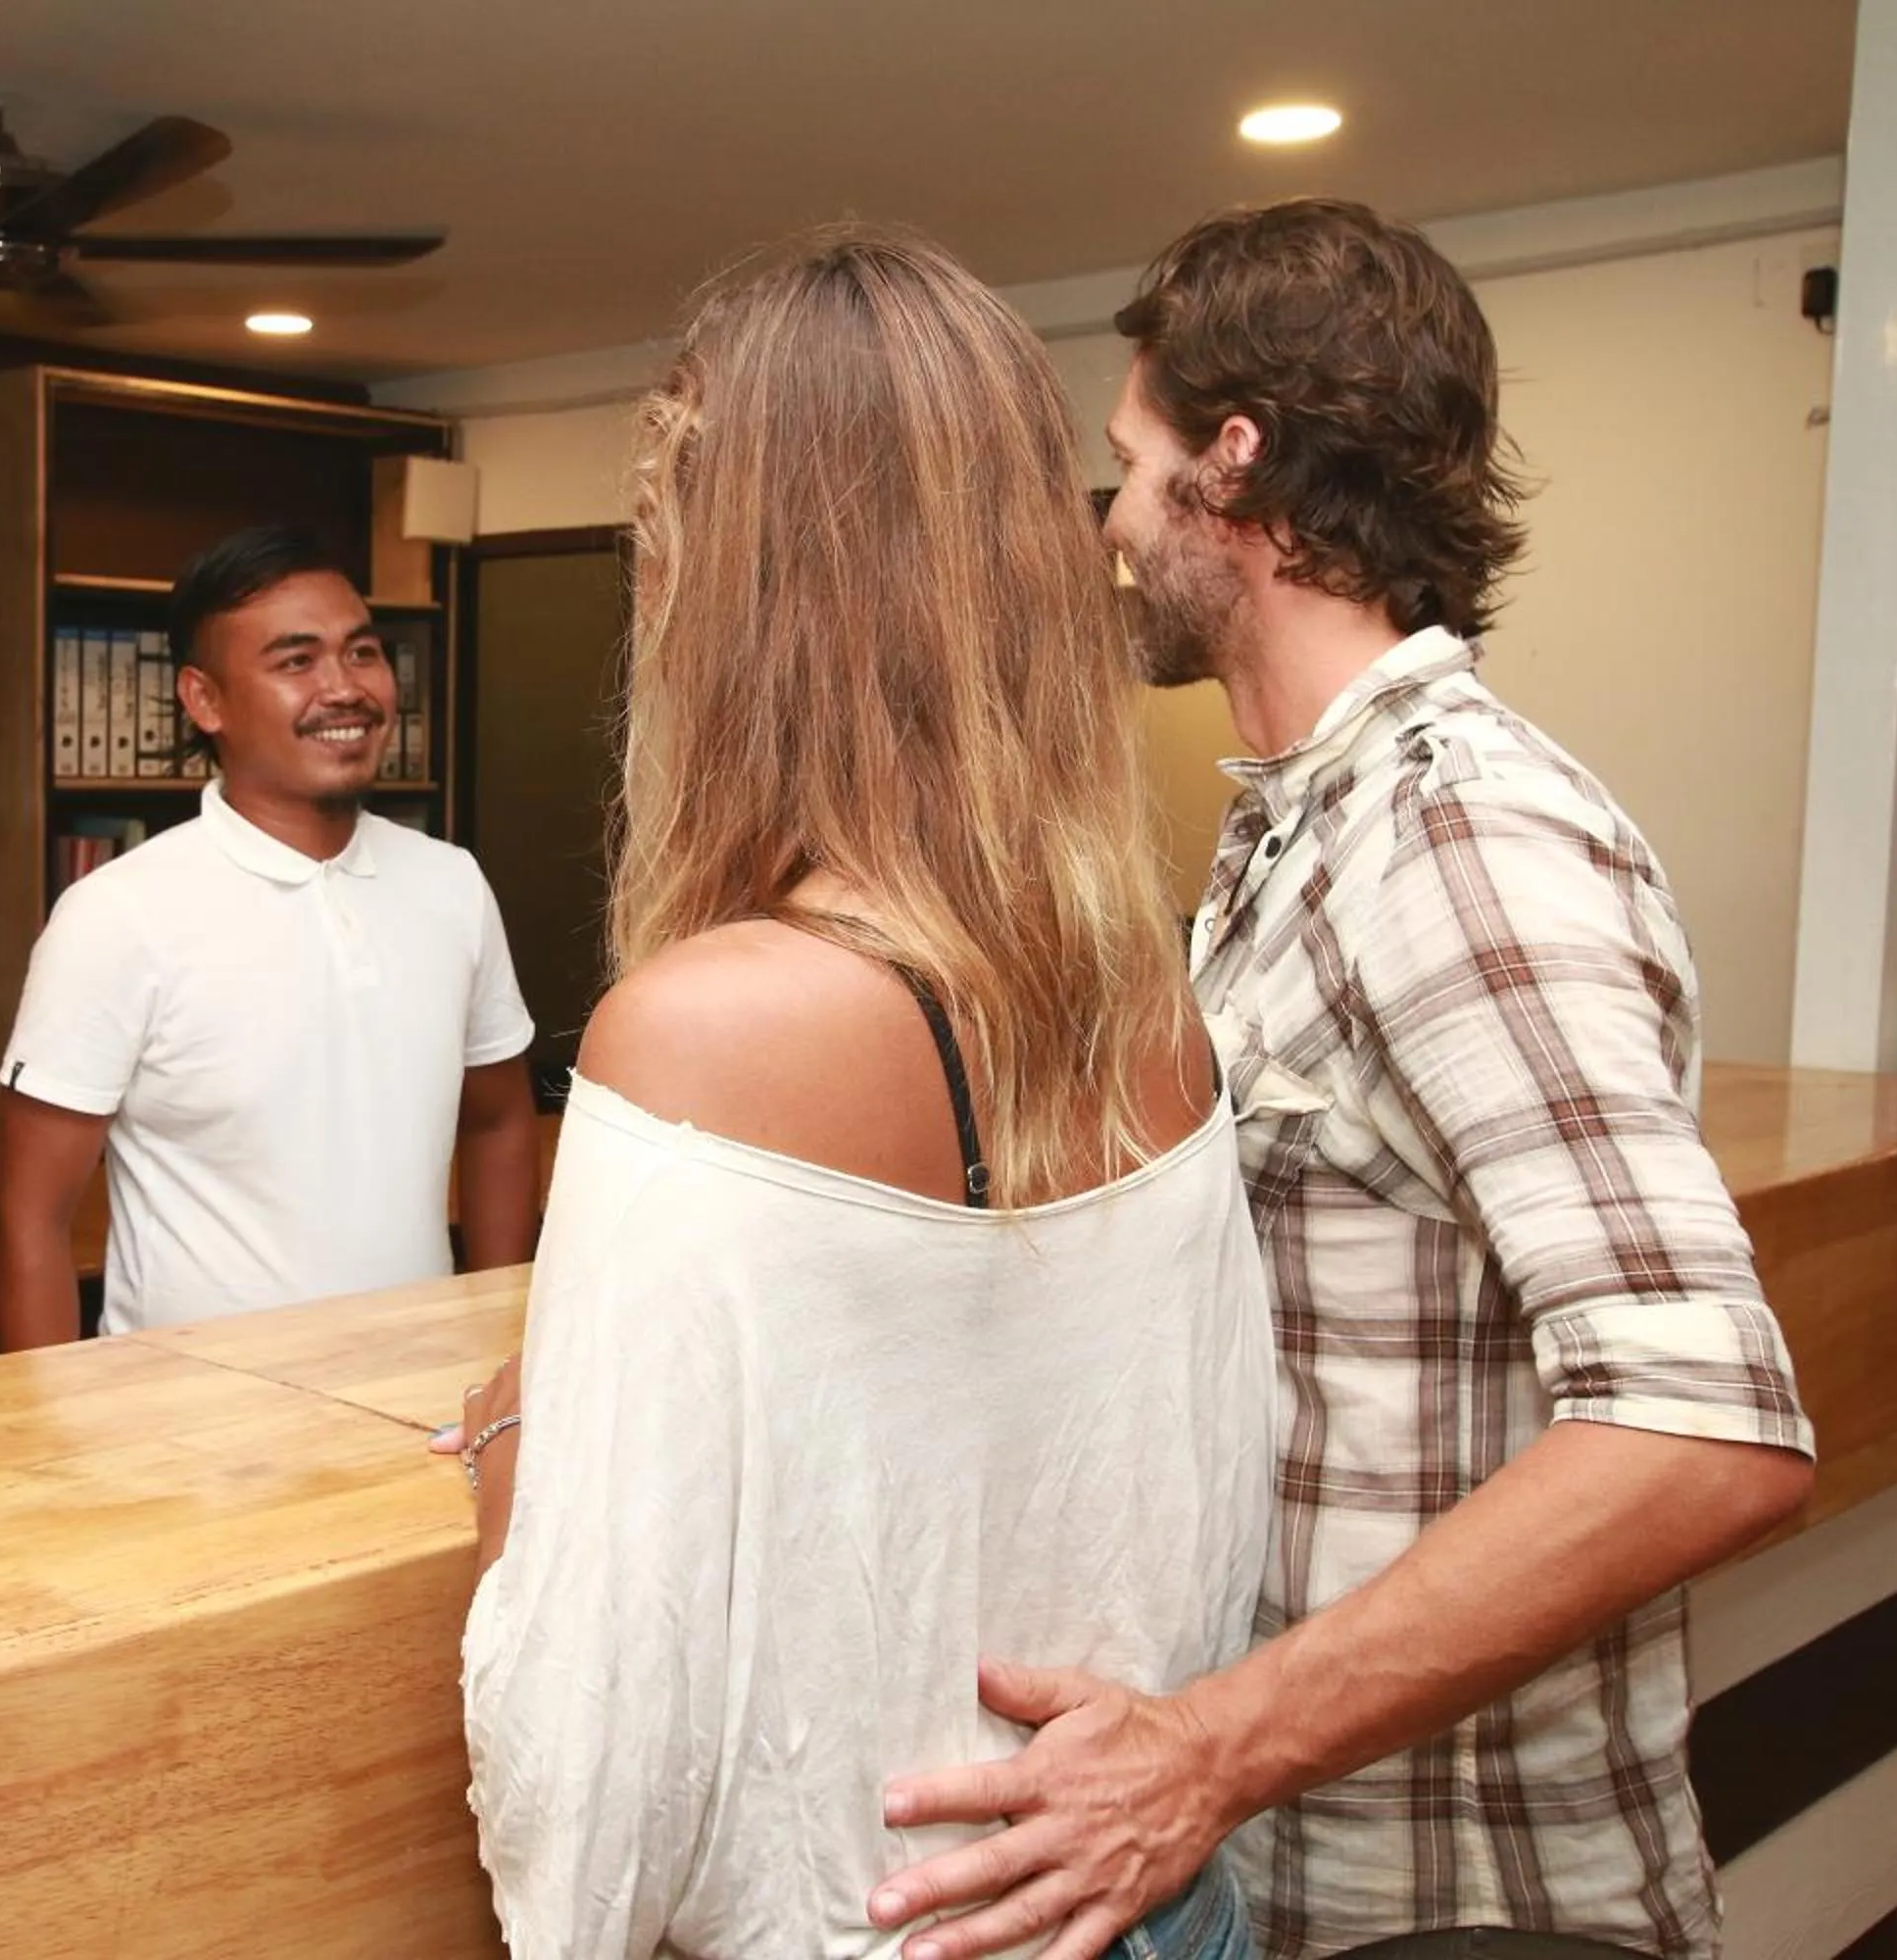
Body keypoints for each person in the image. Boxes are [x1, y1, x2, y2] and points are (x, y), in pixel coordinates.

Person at [868, 199, 1818, 1960]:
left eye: (1131, 464)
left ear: (1234, 465)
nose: (1114, 524)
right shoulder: (1295, 834)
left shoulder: (1453, 832)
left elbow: (1702, 1429)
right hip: (1307, 1875)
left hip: (1460, 1901)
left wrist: (1201, 1756)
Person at [444, 225, 1274, 1959]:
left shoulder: (698, 1037)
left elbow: (594, 1780)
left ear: (725, 600)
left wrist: (517, 1448)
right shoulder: (1157, 1000)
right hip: (1152, 1915)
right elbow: (1199, 1526)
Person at [0, 526, 540, 1348]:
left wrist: (503, 1351)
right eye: (296, 662)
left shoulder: (450, 883)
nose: (344, 688)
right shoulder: (117, 915)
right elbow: (28, 1220)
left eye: (362, 653)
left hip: (418, 1409)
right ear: (204, 700)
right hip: (194, 1432)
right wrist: (60, 1450)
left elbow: (498, 1121)